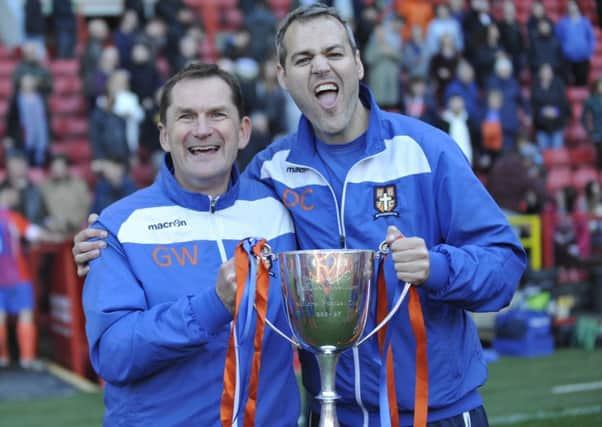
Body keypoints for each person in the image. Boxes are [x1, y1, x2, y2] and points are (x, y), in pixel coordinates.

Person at [74, 5, 526, 426]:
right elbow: (208, 195)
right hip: (333, 412)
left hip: (434, 410)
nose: (321, 67)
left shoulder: (427, 151)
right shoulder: (270, 177)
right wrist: (106, 238)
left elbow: (505, 264)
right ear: (283, 77)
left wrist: (439, 266)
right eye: (304, 58)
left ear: (358, 63)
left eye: (333, 53)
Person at [80, 63, 300, 425]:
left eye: (217, 114)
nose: (202, 130)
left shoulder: (279, 210)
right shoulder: (119, 226)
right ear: (164, 136)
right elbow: (114, 354)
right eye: (186, 117)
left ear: (243, 130)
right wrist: (210, 307)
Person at [0, 186, 58, 369]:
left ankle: (2, 357)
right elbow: (35, 234)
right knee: (25, 315)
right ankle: (27, 359)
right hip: (18, 275)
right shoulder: (11, 217)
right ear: (6, 193)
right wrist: (56, 236)